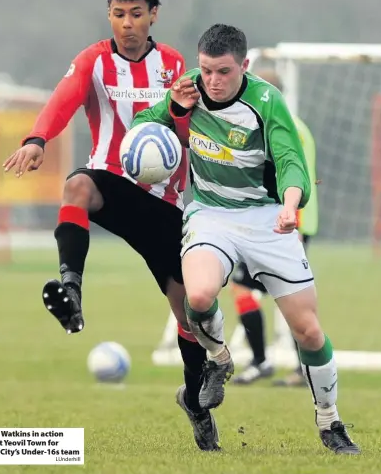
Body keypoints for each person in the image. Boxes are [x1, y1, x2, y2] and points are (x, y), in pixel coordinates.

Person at [3, 0, 220, 452]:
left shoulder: (173, 65)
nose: (127, 24)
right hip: (111, 180)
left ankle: (196, 403)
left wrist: (180, 120)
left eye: (136, 14)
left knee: (190, 316)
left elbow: (183, 125)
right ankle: (72, 292)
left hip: (163, 202)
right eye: (119, 15)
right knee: (77, 185)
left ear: (153, 15)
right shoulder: (94, 60)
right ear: (110, 16)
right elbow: (63, 100)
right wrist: (38, 139)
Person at [132, 24, 360, 454]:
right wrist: (175, 112)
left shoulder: (267, 102)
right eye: (205, 70)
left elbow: (291, 159)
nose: (213, 81)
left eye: (223, 72)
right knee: (197, 295)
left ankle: (330, 421)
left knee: (308, 332)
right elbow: (144, 126)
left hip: (267, 218)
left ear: (245, 67)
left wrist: (291, 205)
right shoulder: (188, 91)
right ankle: (220, 359)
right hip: (210, 214)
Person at [231, 68, 319, 388]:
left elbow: (300, 178)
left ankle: (296, 368)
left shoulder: (288, 128)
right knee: (245, 288)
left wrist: (297, 224)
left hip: (289, 225)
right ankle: (262, 361)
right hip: (264, 225)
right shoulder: (266, 125)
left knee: (290, 297)